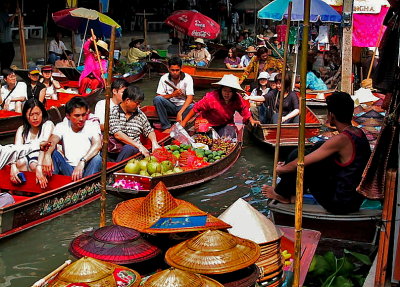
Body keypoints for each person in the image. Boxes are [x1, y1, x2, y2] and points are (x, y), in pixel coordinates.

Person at [263, 92, 371, 214]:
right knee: (316, 148)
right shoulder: (358, 132)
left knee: (300, 159)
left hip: (340, 203)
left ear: (332, 115)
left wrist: (281, 169)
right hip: (353, 200)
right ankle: (290, 193)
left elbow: (301, 163)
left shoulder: (341, 139)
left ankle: (282, 194)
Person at [37, 97, 102, 188]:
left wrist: (82, 162)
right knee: (53, 154)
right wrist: (47, 155)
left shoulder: (92, 125)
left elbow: (97, 144)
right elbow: (53, 141)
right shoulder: (61, 126)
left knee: (97, 158)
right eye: (77, 115)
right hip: (68, 169)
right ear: (68, 116)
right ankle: (52, 187)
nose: (81, 119)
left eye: (83, 115)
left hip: (86, 167)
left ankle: (87, 188)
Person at [181, 74, 259, 136]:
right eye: (224, 90)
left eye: (230, 91)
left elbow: (244, 110)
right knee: (203, 136)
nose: (226, 94)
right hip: (207, 123)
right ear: (221, 90)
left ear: (234, 92)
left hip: (225, 124)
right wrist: (184, 122)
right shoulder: (211, 98)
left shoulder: (237, 98)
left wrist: (251, 120)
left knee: (229, 137)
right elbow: (195, 108)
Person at [109, 84, 161, 162]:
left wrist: (154, 143)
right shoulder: (114, 111)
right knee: (128, 148)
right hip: (115, 150)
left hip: (134, 152)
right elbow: (118, 134)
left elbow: (149, 130)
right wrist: (139, 146)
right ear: (127, 101)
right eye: (137, 103)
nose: (139, 106)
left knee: (130, 149)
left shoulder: (140, 114)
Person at [10, 98, 54, 184]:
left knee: (34, 164)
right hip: (27, 158)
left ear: (42, 113)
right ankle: (25, 189)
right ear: (25, 116)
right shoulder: (22, 129)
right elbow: (16, 150)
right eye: (31, 114)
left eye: (37, 114)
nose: (35, 118)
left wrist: (39, 165)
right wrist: (13, 167)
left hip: (43, 157)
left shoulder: (48, 125)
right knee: (20, 162)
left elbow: (44, 146)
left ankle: (36, 190)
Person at [153, 57, 194, 131]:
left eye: (177, 70)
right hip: (170, 106)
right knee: (157, 99)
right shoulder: (164, 78)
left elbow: (190, 98)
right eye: (172, 70)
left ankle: (178, 125)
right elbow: (158, 96)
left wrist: (180, 113)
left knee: (193, 106)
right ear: (168, 68)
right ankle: (166, 126)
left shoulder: (188, 78)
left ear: (181, 68)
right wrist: (172, 95)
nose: (175, 72)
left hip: (182, 107)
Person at [0, 1, 18, 71]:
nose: (8, 5)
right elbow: (9, 21)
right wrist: (15, 13)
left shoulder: (5, 13)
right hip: (4, 39)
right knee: (8, 55)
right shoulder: (2, 14)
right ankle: (4, 69)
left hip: (7, 39)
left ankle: (5, 68)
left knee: (9, 55)